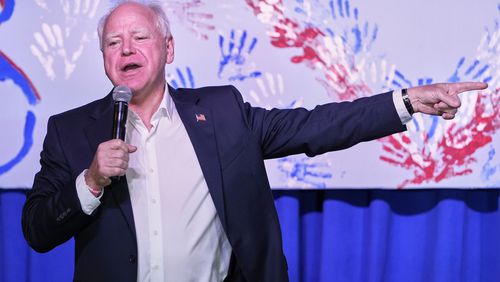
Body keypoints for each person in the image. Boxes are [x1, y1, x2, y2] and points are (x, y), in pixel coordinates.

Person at [21, 1, 488, 282]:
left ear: (168, 49)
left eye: (140, 36)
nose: (126, 49)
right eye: (112, 42)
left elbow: (316, 126)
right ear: (103, 58)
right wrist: (91, 180)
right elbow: (37, 231)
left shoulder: (221, 113)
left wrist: (404, 100)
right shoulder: (71, 130)